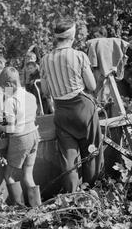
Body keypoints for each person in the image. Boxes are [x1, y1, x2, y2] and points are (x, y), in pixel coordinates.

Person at [40, 17, 103, 193]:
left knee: (68, 157)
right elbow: (91, 86)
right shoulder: (79, 56)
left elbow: (45, 91)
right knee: (91, 152)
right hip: (83, 110)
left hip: (62, 113)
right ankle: (91, 192)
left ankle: (72, 196)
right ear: (72, 36)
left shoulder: (45, 60)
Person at [0, 67, 41, 207]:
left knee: (9, 176)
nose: (4, 91)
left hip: (20, 138)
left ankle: (19, 208)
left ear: (9, 85)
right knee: (28, 175)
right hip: (34, 135)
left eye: (4, 88)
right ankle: (37, 209)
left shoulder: (11, 101)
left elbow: (10, 128)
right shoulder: (31, 96)